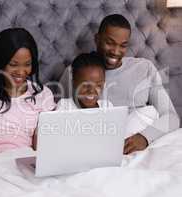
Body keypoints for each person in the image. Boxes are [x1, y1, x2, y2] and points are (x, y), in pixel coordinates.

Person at [59, 14, 180, 154]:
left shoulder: (144, 68)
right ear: (97, 39)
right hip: (96, 146)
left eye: (123, 46)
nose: (116, 51)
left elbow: (171, 118)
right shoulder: (75, 72)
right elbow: (58, 118)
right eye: (109, 43)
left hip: (139, 145)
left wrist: (145, 137)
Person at [0, 28, 56, 152]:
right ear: (0, 62)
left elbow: (43, 145)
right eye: (13, 65)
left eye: (27, 64)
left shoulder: (42, 94)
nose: (21, 72)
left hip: (24, 160)